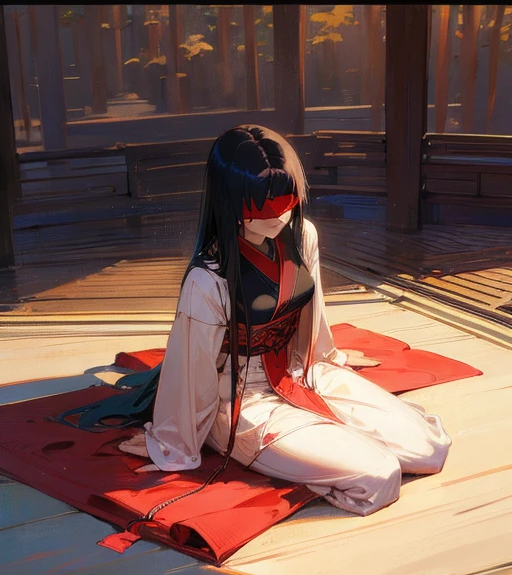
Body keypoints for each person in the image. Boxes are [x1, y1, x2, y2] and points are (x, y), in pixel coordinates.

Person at [112, 124, 451, 517]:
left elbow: (313, 315)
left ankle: (320, 447)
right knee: (377, 475)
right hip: (237, 398)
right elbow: (193, 371)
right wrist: (174, 443)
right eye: (260, 204)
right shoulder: (208, 277)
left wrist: (325, 358)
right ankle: (288, 451)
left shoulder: (302, 233)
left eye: (284, 199)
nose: (276, 215)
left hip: (298, 371)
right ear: (231, 199)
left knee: (429, 448)